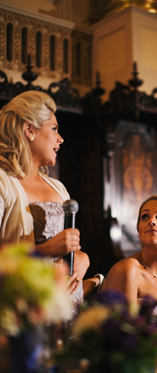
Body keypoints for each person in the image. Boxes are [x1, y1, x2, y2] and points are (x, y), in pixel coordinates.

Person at [0, 90, 97, 304]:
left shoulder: (58, 187)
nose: (60, 139)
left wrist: (82, 259)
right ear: (29, 130)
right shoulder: (2, 183)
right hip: (25, 309)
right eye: (54, 129)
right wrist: (45, 251)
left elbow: (71, 249)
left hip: (67, 306)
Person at [101, 195, 157, 321]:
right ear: (139, 230)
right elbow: (124, 332)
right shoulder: (128, 270)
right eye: (145, 217)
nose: (151, 221)